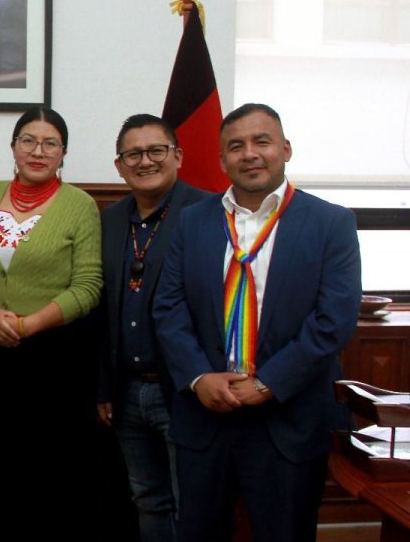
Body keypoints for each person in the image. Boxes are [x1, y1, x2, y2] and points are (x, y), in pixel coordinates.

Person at [153, 103, 361, 542]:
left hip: (289, 416)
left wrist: (268, 383)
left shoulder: (331, 223)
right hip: (206, 415)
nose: (249, 153)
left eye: (261, 141)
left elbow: (333, 320)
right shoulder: (192, 222)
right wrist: (197, 377)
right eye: (236, 145)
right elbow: (168, 309)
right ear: (222, 159)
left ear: (285, 149)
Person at [0, 106, 102, 537]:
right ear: (14, 147)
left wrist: (25, 326)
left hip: (53, 360)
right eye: (28, 141)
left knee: (47, 476)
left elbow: (89, 286)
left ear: (63, 153)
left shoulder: (80, 206)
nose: (38, 151)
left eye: (50, 143)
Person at [95, 114, 212, 542]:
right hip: (126, 392)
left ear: (177, 156)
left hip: (183, 389)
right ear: (119, 165)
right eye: (133, 154)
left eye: (156, 150)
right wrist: (105, 387)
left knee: (193, 501)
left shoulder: (208, 214)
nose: (145, 161)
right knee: (148, 499)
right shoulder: (109, 220)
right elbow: (103, 309)